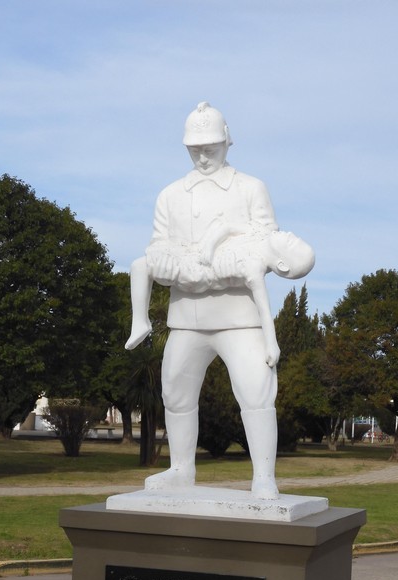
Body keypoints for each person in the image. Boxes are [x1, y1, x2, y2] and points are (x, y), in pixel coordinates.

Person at [126, 101, 315, 499]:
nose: (202, 154)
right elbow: (157, 245)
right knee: (175, 393)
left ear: (228, 141)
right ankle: (180, 469)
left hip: (238, 315)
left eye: (210, 146)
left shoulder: (251, 188)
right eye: (195, 148)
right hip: (187, 315)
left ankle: (263, 475)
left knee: (256, 392)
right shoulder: (170, 195)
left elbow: (266, 241)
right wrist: (176, 265)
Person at [125, 223, 315, 369]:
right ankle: (141, 322)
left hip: (199, 273)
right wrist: (209, 246)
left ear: (282, 265)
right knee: (141, 265)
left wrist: (272, 345)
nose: (290, 235)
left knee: (140, 266)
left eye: (291, 243)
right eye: (295, 237)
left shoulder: (254, 268)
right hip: (198, 254)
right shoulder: (258, 234)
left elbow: (264, 310)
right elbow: (226, 226)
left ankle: (141, 323)